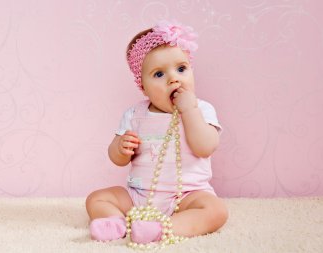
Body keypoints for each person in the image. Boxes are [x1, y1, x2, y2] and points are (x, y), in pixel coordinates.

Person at [85, 20, 228, 244]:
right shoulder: (135, 115)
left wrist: (189, 110)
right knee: (97, 199)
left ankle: (161, 229)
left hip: (187, 197)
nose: (174, 78)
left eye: (181, 69)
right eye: (159, 74)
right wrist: (121, 148)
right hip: (139, 197)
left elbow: (205, 147)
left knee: (216, 210)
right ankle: (117, 223)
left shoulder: (201, 109)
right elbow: (116, 158)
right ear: (143, 85)